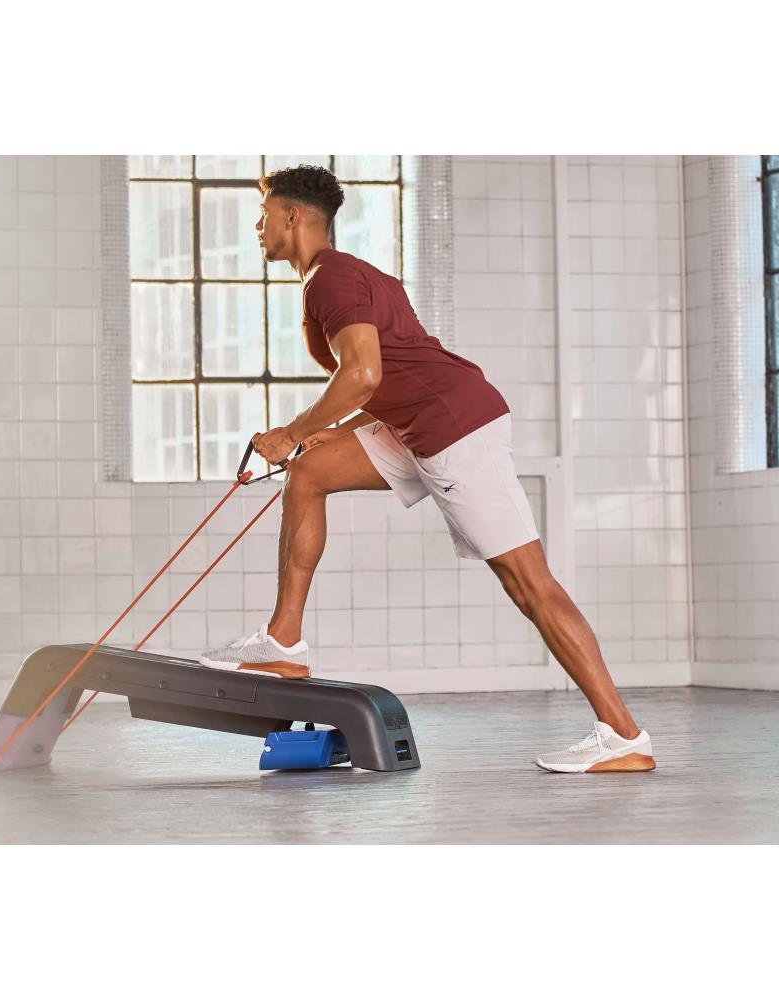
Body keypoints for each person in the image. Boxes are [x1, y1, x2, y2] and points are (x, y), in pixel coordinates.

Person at [198, 165, 655, 774]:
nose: (257, 228)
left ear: (293, 217)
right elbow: (391, 375)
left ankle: (623, 735)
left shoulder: (329, 280)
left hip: (452, 425)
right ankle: (282, 642)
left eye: (263, 215)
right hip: (416, 423)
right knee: (310, 473)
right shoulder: (353, 275)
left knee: (528, 583)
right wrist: (327, 434)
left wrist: (293, 431)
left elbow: (362, 375)